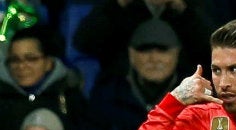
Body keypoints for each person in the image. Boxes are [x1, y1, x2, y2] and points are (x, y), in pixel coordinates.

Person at [82, 18, 189, 130]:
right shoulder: (106, 96)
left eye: (163, 50)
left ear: (177, 54)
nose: (154, 59)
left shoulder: (200, 99)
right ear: (131, 55)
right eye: (144, 50)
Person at [0, 24, 88, 130]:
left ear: (48, 62)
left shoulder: (68, 97)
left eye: (31, 58)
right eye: (14, 60)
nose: (21, 66)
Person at [71, 0, 214, 84]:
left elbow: (214, 51)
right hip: (123, 94)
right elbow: (83, 43)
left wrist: (183, 10)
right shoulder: (119, 7)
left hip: (182, 91)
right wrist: (118, 4)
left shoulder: (192, 7)